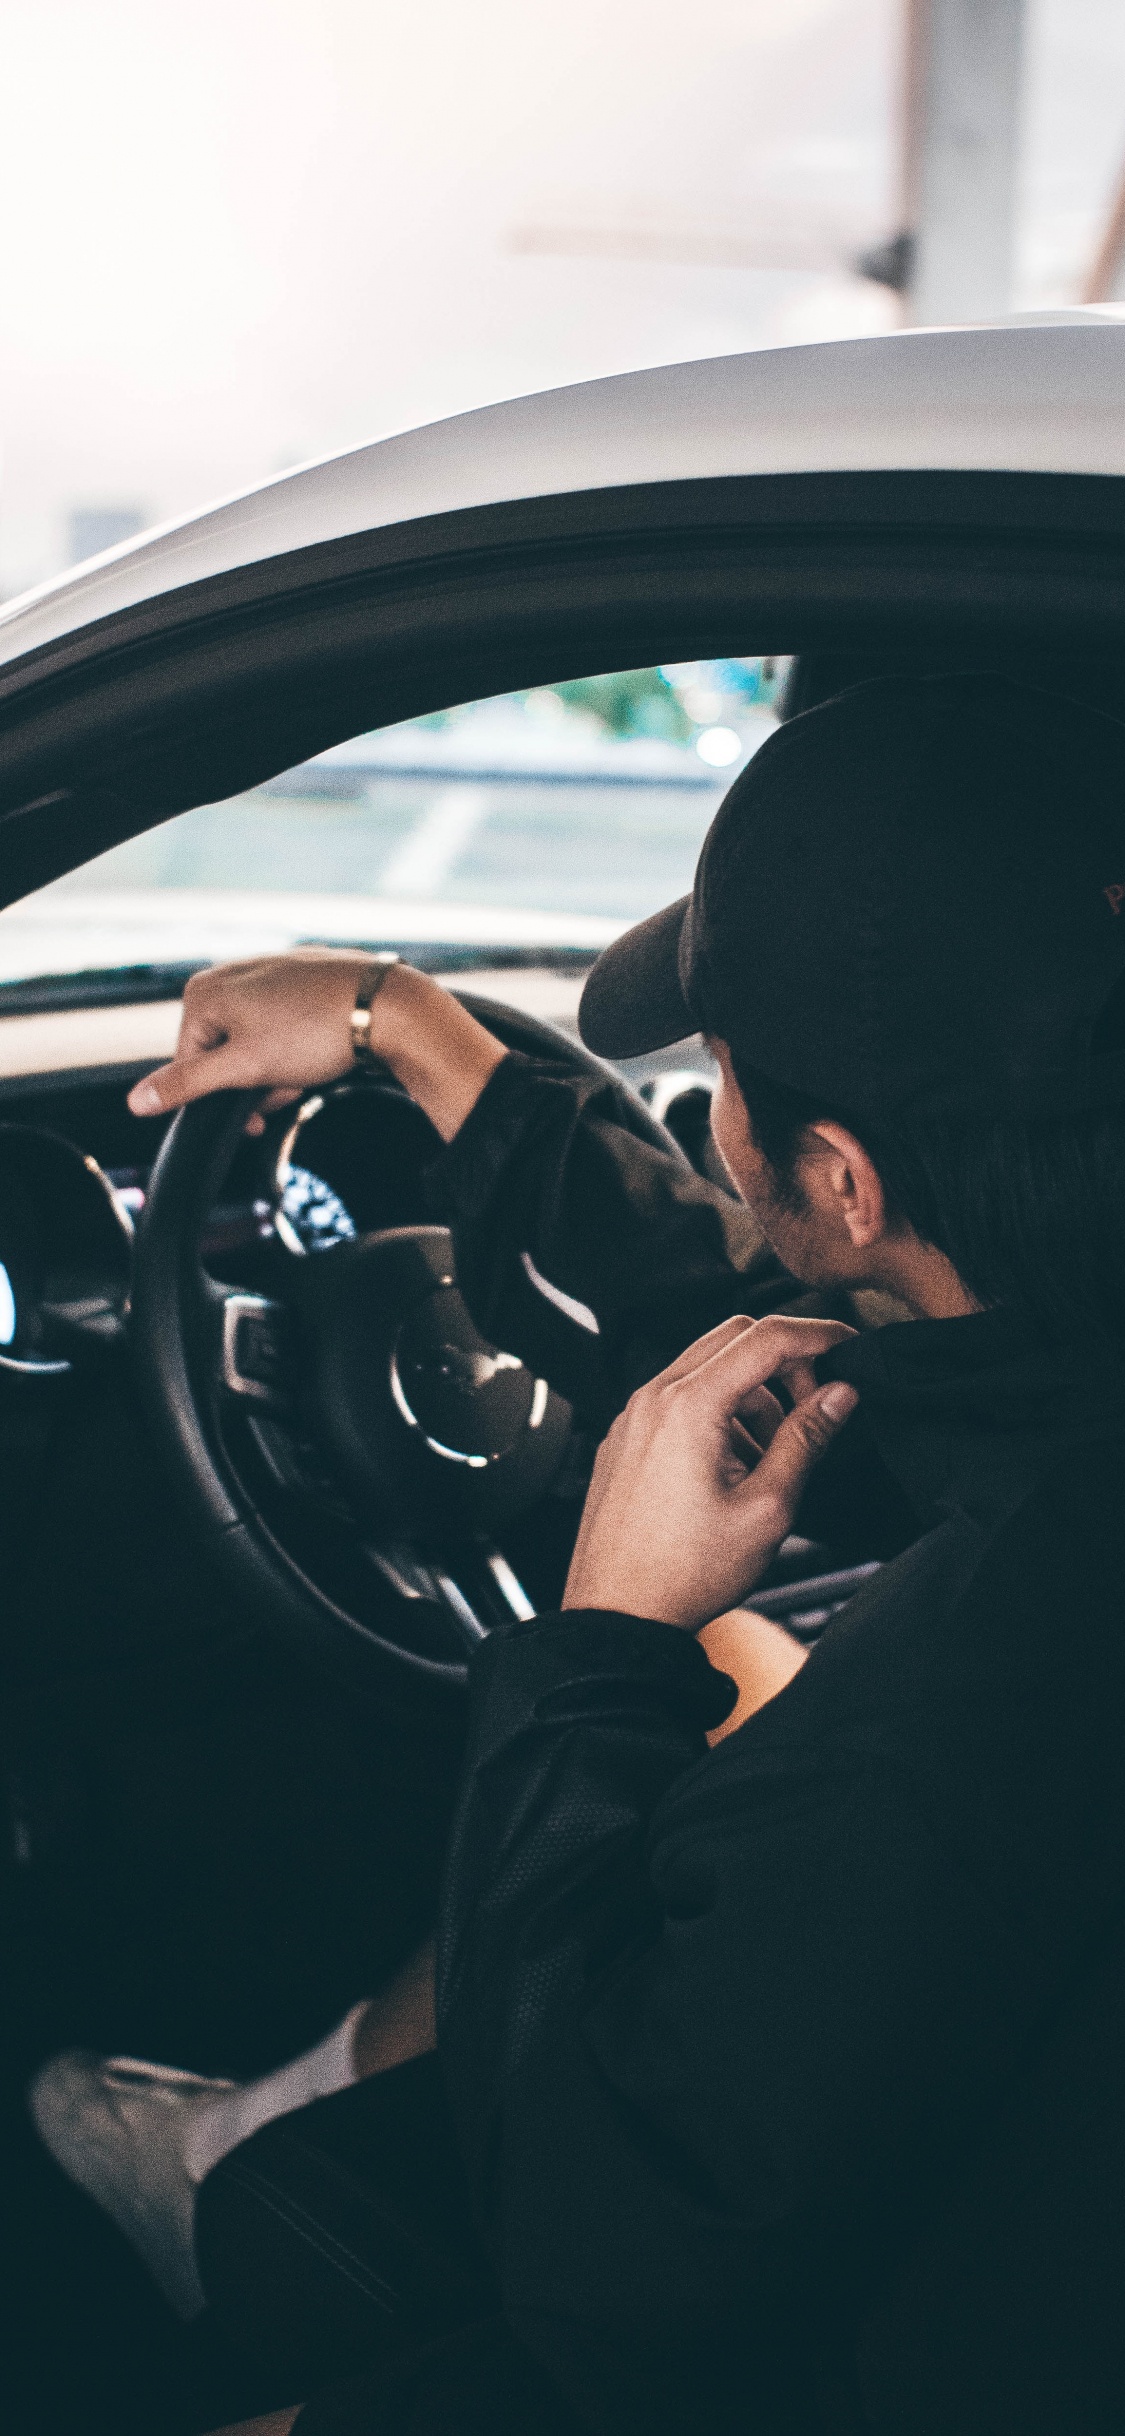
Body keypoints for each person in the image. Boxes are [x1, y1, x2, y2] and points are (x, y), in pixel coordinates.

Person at [30, 676, 1125, 2434]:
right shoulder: (1058, 1386)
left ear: (845, 1185)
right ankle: (239, 2141)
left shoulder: (974, 1694)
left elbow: (608, 2262)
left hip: (915, 2347)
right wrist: (411, 1030)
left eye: (719, 1077)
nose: (707, 1107)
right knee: (743, 1679)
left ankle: (229, 2186)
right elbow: (791, 1342)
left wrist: (601, 1639)